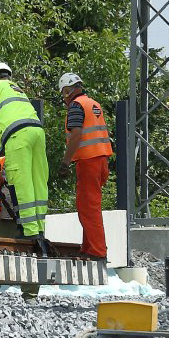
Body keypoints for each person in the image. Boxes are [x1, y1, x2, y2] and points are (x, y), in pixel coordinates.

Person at [0, 61, 48, 252]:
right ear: (9, 76)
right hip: (37, 133)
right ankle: (39, 230)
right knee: (39, 183)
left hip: (16, 136)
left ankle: (28, 232)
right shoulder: (18, 90)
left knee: (22, 183)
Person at [57, 72, 112, 261]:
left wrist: (65, 162)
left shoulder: (76, 106)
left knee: (89, 208)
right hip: (101, 159)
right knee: (88, 206)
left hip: (88, 161)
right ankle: (89, 248)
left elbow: (76, 135)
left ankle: (96, 252)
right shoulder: (93, 104)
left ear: (67, 90)